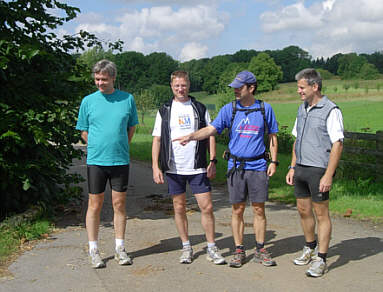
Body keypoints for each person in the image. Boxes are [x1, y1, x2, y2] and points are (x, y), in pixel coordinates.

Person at [174, 70, 279, 268]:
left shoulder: (265, 109)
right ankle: (239, 250)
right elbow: (212, 129)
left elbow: (273, 136)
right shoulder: (229, 109)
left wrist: (273, 162)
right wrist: (191, 136)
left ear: (251, 88)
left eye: (239, 87)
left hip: (258, 166)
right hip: (235, 167)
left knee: (258, 208)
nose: (235, 91)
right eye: (234, 87)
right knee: (237, 209)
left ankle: (260, 249)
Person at [151, 70, 226, 265]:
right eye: (176, 85)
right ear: (171, 86)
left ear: (189, 85)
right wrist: (155, 166)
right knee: (179, 207)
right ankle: (186, 247)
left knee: (207, 207)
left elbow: (211, 134)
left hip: (198, 166)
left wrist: (213, 161)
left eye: (183, 85)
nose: (180, 89)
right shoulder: (165, 109)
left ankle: (211, 247)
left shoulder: (199, 108)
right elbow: (157, 139)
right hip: (174, 168)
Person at [76, 59, 139, 268]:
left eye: (103, 79)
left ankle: (120, 248)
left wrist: (121, 145)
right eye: (97, 79)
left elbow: (131, 127)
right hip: (96, 161)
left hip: (120, 160)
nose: (100, 83)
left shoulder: (127, 99)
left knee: (119, 204)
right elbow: (83, 130)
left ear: (113, 77)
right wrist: (94, 145)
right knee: (95, 204)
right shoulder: (88, 101)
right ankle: (93, 249)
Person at [286, 68, 344, 277]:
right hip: (301, 167)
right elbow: (296, 139)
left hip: (319, 169)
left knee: (321, 214)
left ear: (314, 86)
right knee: (303, 210)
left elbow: (337, 144)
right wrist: (292, 167)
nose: (299, 91)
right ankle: (309, 247)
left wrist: (328, 175)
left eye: (302, 87)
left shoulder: (331, 110)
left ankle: (321, 258)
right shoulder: (302, 109)